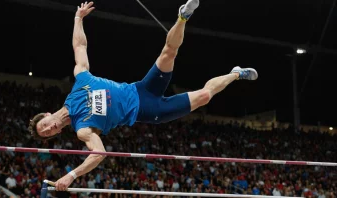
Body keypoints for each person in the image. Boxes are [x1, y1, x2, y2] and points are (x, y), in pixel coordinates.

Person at [28, 0, 258, 191]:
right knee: (205, 96)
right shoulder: (83, 129)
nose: (50, 128)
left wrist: (78, 18)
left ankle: (183, 16)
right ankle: (235, 74)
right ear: (56, 133)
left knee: (168, 53)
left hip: (141, 89)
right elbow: (99, 153)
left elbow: (80, 48)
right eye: (49, 132)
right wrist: (72, 175)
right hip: (150, 112)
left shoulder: (79, 83)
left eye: (46, 124)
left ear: (48, 115)